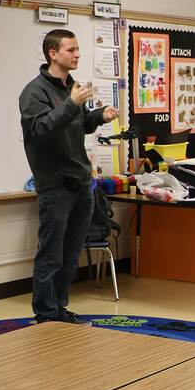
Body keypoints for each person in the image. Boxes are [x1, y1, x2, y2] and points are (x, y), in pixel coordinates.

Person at [20, 29, 119, 324]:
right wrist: (71, 105)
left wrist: (99, 116)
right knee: (51, 254)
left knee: (70, 252)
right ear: (53, 54)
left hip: (81, 182)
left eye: (77, 50)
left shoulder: (70, 87)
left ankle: (60, 308)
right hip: (55, 184)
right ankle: (46, 314)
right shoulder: (34, 92)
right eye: (71, 50)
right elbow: (39, 129)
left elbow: (77, 124)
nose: (77, 55)